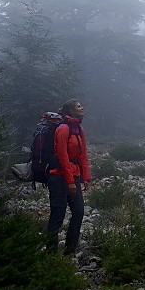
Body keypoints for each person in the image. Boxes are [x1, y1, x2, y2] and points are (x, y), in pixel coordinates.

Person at [46, 99, 90, 254]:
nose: (82, 107)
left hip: (73, 175)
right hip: (58, 177)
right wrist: (70, 181)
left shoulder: (79, 129)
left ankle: (69, 251)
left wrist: (85, 177)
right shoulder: (63, 129)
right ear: (71, 111)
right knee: (57, 215)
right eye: (79, 106)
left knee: (78, 211)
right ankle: (50, 253)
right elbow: (63, 157)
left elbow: (83, 154)